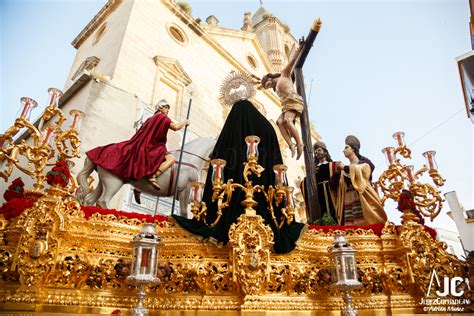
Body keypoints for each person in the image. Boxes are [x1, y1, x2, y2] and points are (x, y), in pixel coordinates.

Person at [173, 99, 305, 254]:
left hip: (229, 204)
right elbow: (274, 162)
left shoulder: (232, 130)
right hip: (266, 205)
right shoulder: (267, 129)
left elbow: (219, 157)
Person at [86, 99, 189, 193]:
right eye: (166, 108)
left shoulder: (150, 118)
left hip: (143, 147)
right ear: (160, 108)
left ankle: (139, 187)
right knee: (171, 159)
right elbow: (175, 127)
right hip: (152, 148)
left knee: (166, 154)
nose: (167, 111)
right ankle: (153, 176)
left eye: (168, 109)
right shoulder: (162, 118)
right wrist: (185, 121)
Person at [261, 39, 306, 159]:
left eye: (268, 85)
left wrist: (300, 47)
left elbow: (292, 61)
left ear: (269, 78)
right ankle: (291, 145)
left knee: (287, 120)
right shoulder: (276, 87)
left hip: (294, 101)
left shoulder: (284, 74)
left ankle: (300, 143)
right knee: (279, 122)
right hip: (286, 106)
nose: (269, 87)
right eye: (267, 87)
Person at [329, 135, 387, 226]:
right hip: (348, 198)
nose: (343, 150)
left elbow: (366, 170)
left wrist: (345, 167)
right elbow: (333, 185)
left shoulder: (364, 163)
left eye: (346, 147)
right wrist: (336, 173)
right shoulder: (343, 170)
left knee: (365, 222)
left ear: (353, 150)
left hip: (362, 196)